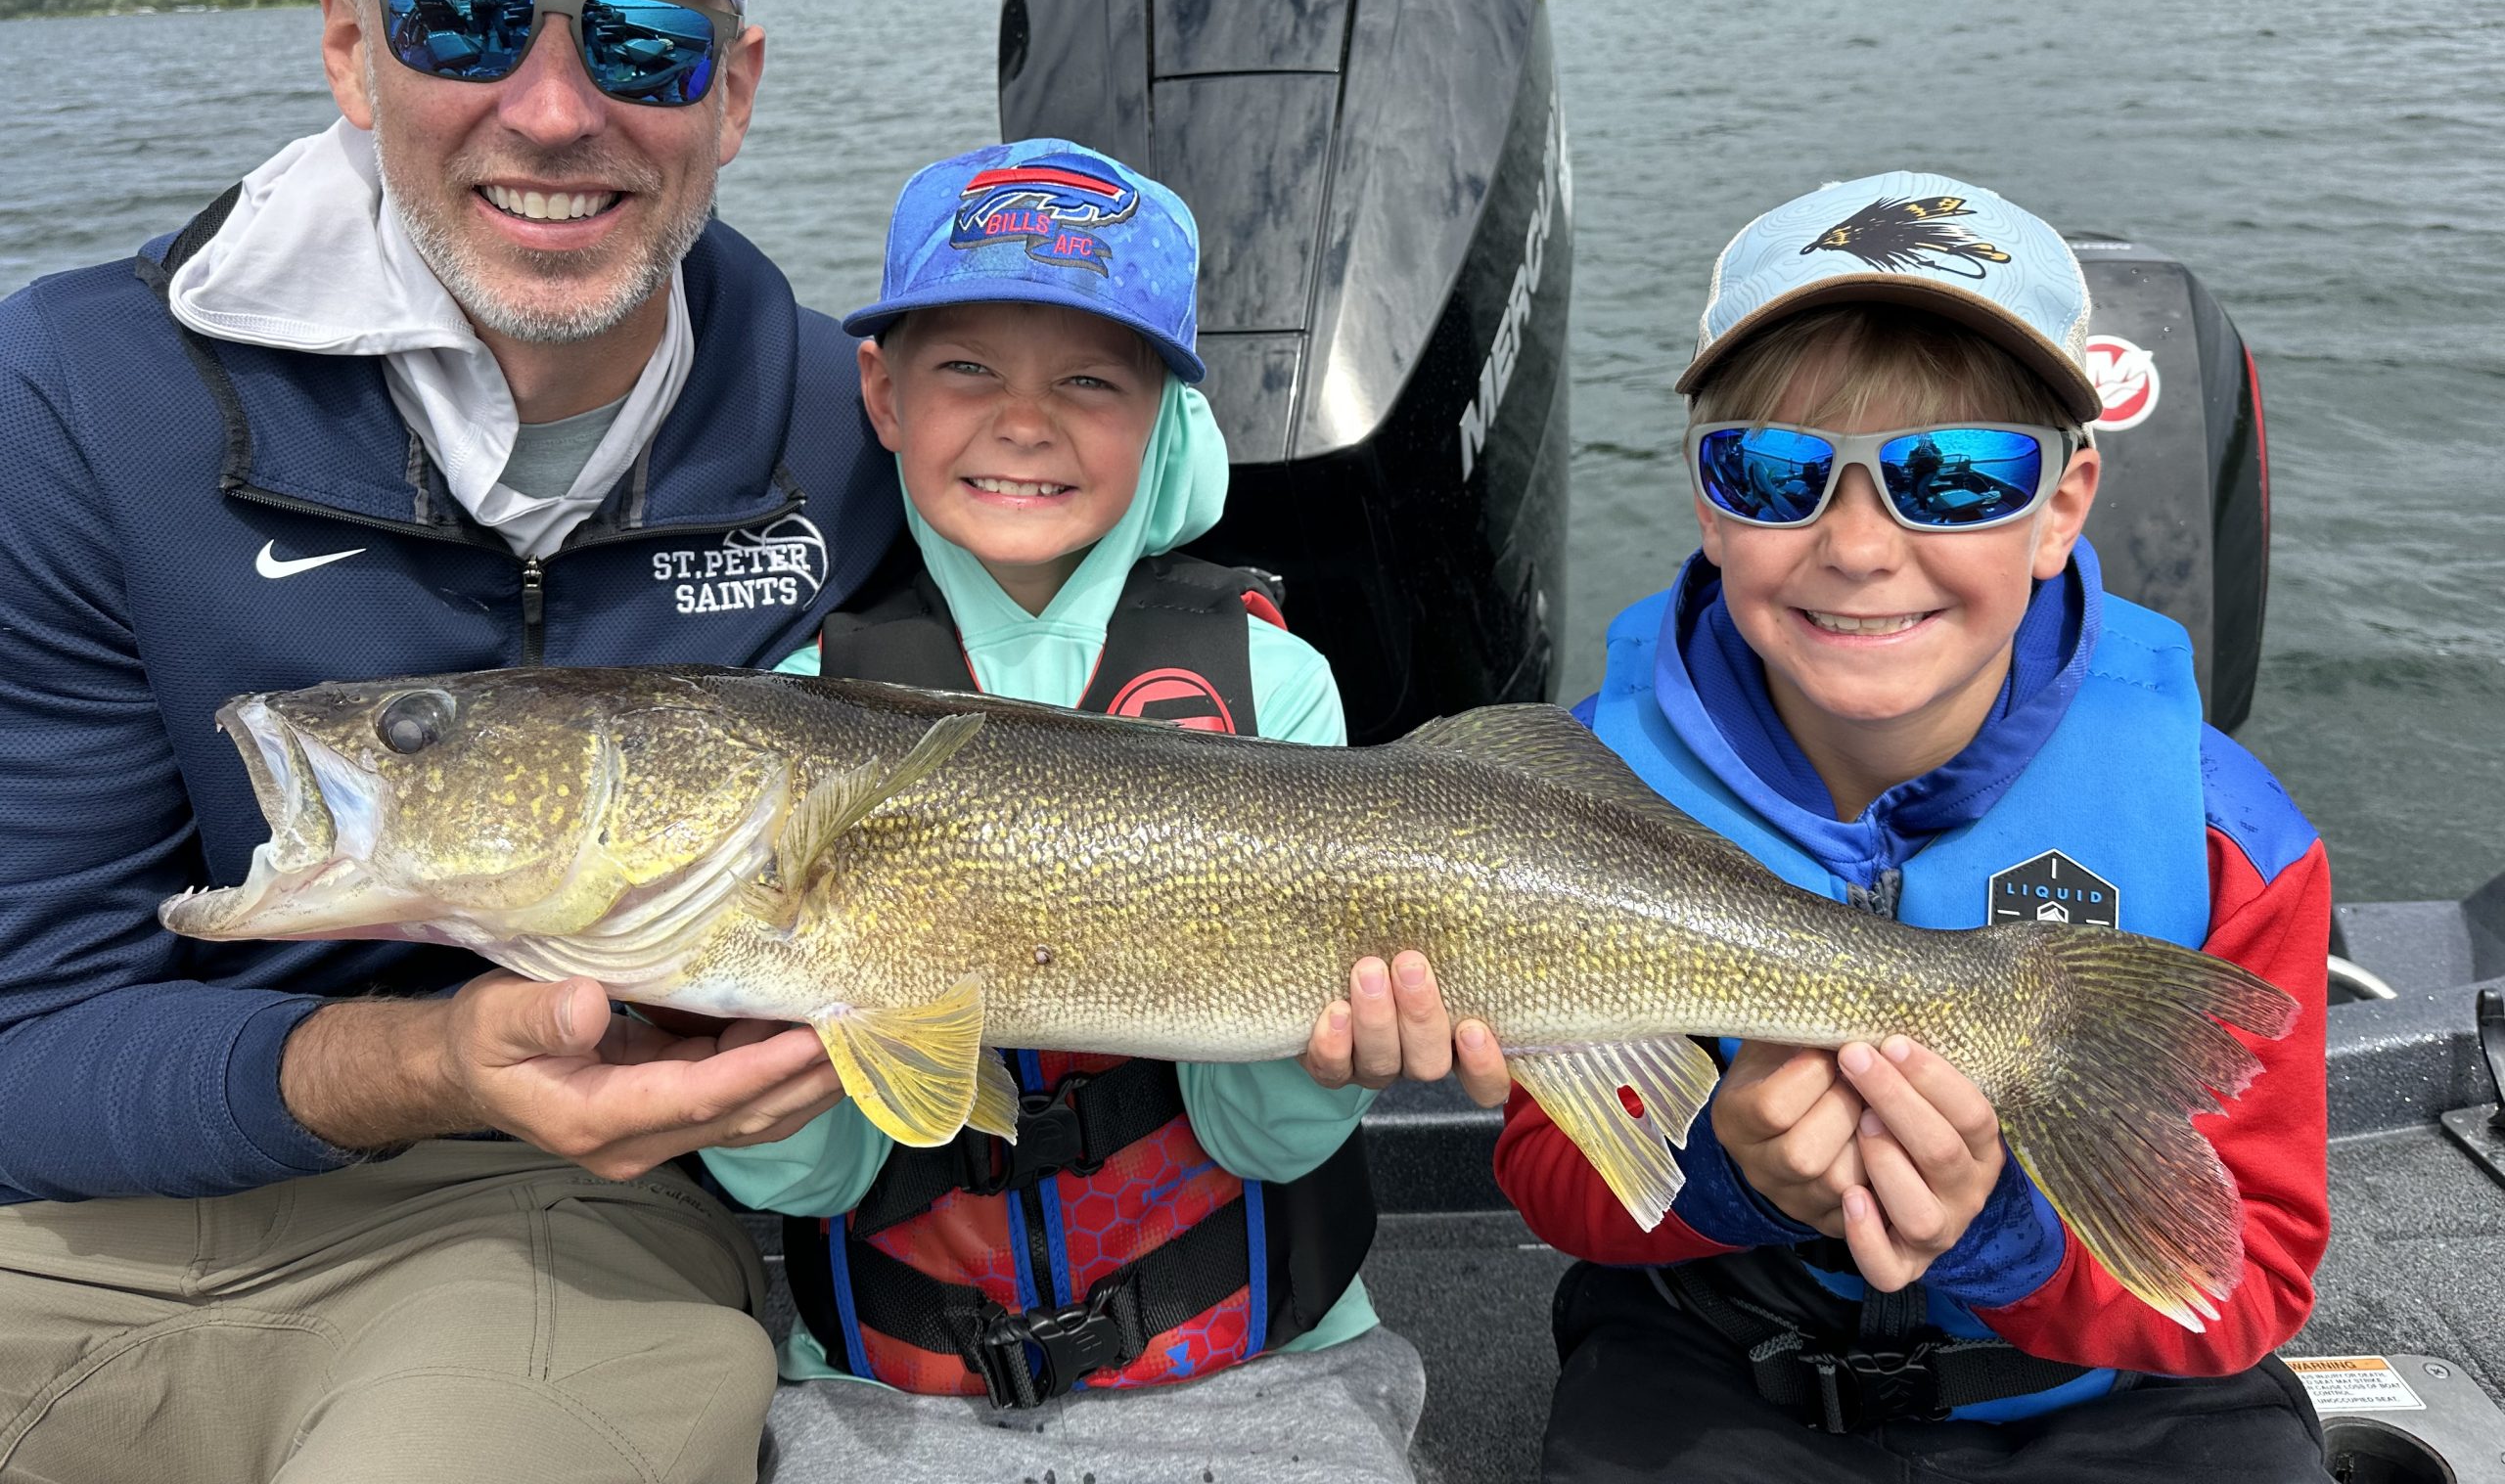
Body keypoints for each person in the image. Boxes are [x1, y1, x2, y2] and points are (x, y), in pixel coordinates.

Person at [0, 0, 905, 1484]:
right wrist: (430, 1057)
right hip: (64, 1207)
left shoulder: (849, 421)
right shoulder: (68, 401)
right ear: (351, 43)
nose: (556, 111)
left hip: (558, 1221)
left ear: (735, 88)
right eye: (464, 21)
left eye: (642, 42)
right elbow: (23, 1025)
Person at [1493, 173, 2332, 1481]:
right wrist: (1727, 1176)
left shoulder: (2231, 844)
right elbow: (1550, 1169)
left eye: (1951, 477)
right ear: (1711, 502)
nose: (1860, 545)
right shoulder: (1580, 797)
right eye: (1777, 472)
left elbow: (2250, 1280)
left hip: (2101, 1392)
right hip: (1718, 1362)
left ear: (2062, 505)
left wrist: (1997, 1228)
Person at [705, 140, 1507, 1484]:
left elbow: (1257, 1140)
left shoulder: (1275, 685)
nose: (1026, 420)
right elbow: (815, 1183)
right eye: (966, 368)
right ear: (881, 392)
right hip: (887, 1392)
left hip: (1260, 1365)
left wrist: (1336, 1064)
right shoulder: (798, 713)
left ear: (1173, 416)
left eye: (1091, 379)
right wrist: (721, 1039)